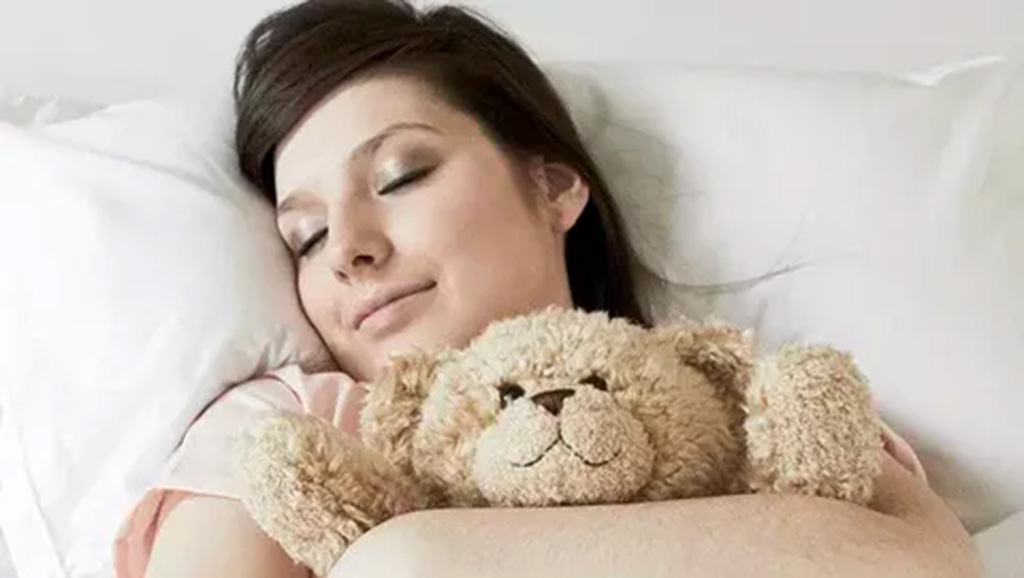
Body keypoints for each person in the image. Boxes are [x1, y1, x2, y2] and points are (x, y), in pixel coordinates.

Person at [117, 1, 981, 576]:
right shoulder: (295, 429)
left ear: (556, 185)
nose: (348, 249)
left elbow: (926, 564)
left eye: (400, 174)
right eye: (305, 235)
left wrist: (422, 556)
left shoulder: (722, 391)